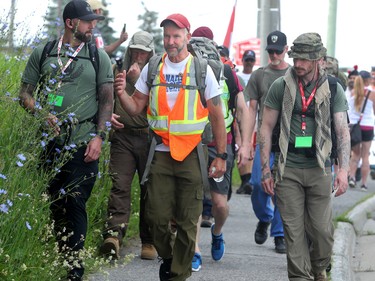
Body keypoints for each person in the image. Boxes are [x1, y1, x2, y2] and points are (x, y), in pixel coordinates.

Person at [114, 13, 227, 281]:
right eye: (166, 36)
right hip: (161, 153)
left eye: (176, 36)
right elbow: (136, 106)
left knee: (188, 224)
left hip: (191, 154)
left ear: (187, 36)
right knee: (155, 218)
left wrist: (221, 155)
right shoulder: (154, 68)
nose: (171, 41)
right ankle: (170, 257)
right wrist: (121, 94)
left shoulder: (201, 69)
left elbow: (217, 116)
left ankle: (177, 274)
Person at [18, 1, 114, 280]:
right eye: (87, 21)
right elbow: (24, 94)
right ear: (71, 22)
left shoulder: (98, 57)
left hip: (84, 142)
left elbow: (107, 102)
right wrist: (40, 111)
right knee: (54, 204)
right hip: (49, 142)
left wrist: (100, 137)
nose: (92, 25)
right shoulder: (44, 52)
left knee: (75, 201)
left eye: (93, 21)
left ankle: (75, 268)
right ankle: (58, 257)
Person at [259, 32, 350, 281]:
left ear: (318, 59)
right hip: (287, 168)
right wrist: (266, 169)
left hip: (320, 167)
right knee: (293, 231)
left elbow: (342, 130)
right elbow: (266, 126)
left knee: (322, 231)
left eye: (304, 59)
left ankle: (319, 266)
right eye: (296, 58)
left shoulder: (333, 88)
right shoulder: (281, 86)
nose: (298, 64)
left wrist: (343, 170)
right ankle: (301, 277)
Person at [190, 26, 251, 272]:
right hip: (191, 143)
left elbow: (243, 110)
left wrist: (245, 144)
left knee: (220, 205)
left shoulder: (226, 72)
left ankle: (217, 232)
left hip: (219, 145)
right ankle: (194, 250)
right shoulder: (186, 68)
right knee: (192, 201)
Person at [100, 31, 157, 260]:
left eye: (143, 51)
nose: (138, 54)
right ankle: (113, 236)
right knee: (120, 185)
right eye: (135, 50)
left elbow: (155, 106)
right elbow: (105, 98)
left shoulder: (156, 75)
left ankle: (149, 240)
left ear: (150, 53)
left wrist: (135, 80)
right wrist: (107, 116)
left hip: (147, 138)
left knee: (149, 190)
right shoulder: (117, 71)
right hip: (122, 137)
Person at [245, 30, 289, 254]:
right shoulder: (260, 75)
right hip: (264, 142)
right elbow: (252, 110)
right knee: (258, 186)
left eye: (278, 51)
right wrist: (245, 143)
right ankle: (265, 217)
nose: (274, 55)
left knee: (282, 189)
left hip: (288, 144)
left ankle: (279, 234)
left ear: (286, 50)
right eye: (270, 51)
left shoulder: (294, 74)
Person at [347, 73, 375, 191]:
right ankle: (364, 184)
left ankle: (352, 178)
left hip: (355, 127)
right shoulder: (372, 94)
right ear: (367, 80)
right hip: (368, 126)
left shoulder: (353, 93)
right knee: (365, 156)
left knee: (355, 155)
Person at [235, 49, 257, 195]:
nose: (248, 63)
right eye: (246, 60)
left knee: (250, 149)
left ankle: (248, 180)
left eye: (251, 60)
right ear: (242, 61)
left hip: (253, 117)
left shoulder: (256, 77)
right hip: (239, 116)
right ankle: (245, 180)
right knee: (239, 147)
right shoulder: (237, 76)